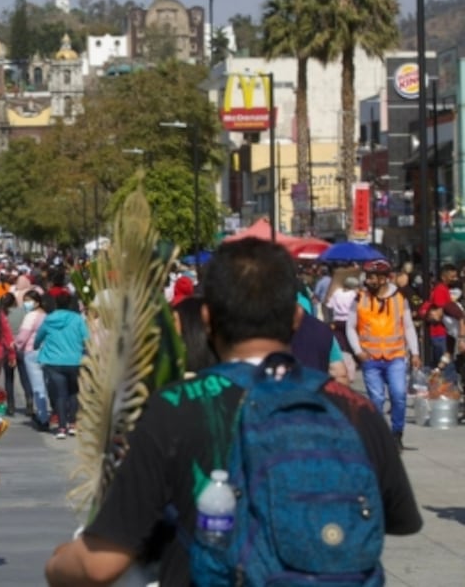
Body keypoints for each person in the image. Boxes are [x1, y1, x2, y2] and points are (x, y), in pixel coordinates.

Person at [44, 238, 423, 586]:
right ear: (296, 317)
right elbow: (397, 520)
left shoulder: (176, 407)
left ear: (207, 318)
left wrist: (58, 564)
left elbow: (100, 564)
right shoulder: (355, 408)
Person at [347, 259, 421, 449]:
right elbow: (350, 327)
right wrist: (358, 351)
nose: (368, 281)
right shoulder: (359, 299)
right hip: (370, 358)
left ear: (383, 279)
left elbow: (409, 327)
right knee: (377, 399)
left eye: (372, 277)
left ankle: (397, 433)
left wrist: (415, 353)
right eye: (368, 277)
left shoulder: (399, 298)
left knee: (398, 395)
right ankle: (379, 436)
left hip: (395, 356)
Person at [35, 291, 89, 439]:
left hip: (53, 361)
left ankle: (61, 427)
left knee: (60, 394)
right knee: (74, 392)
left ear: (56, 304)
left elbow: (39, 337)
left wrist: (36, 345)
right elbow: (87, 338)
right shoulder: (78, 319)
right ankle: (73, 424)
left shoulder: (49, 319)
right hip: (74, 360)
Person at [15, 290, 50, 431]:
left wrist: (16, 345)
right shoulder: (47, 316)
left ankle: (43, 417)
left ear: (36, 302)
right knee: (46, 385)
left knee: (37, 387)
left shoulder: (30, 316)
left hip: (31, 352)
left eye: (28, 300)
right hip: (47, 352)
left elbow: (23, 336)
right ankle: (49, 414)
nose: (26, 304)